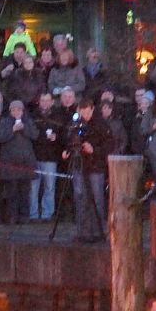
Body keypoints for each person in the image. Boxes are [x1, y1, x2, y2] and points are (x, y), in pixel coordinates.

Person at [61, 99, 106, 243]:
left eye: (86, 111)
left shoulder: (101, 124)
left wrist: (94, 150)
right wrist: (67, 150)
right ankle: (82, 231)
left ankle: (97, 231)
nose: (84, 115)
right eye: (82, 112)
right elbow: (70, 139)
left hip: (94, 166)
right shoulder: (75, 124)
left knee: (96, 198)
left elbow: (109, 144)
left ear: (92, 109)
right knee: (80, 197)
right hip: (79, 164)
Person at [0, 100, 39, 225]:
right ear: (10, 111)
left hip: (26, 164)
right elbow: (0, 137)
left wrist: (24, 128)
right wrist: (12, 130)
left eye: (19, 109)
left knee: (25, 192)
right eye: (14, 110)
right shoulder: (5, 122)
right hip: (10, 165)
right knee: (12, 192)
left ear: (22, 110)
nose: (16, 112)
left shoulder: (28, 121)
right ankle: (12, 217)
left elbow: (35, 135)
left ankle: (24, 216)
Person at [32, 92, 64, 222]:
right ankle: (32, 214)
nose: (45, 103)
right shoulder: (33, 116)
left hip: (51, 156)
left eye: (47, 100)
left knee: (49, 187)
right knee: (33, 187)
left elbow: (63, 135)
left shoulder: (58, 116)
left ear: (52, 102)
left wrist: (56, 137)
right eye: (42, 100)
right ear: (39, 101)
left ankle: (47, 214)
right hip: (35, 155)